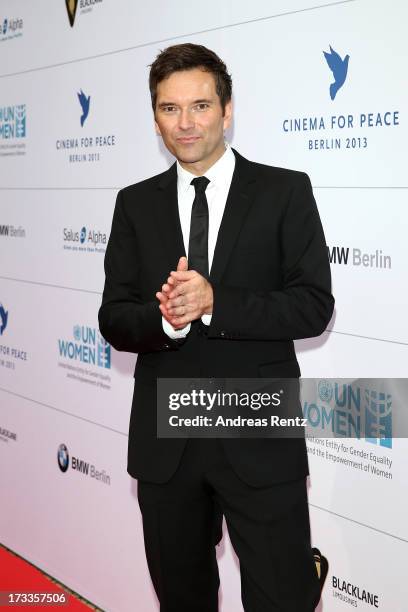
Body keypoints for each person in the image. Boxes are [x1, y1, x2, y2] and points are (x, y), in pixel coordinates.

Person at [98, 43, 334, 612]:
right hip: (167, 440)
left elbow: (312, 306)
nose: (185, 123)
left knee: (281, 597)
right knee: (182, 598)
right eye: (170, 108)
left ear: (227, 110)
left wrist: (214, 303)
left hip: (255, 429)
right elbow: (114, 317)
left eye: (200, 106)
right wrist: (168, 321)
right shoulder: (135, 204)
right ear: (155, 117)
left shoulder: (284, 191)